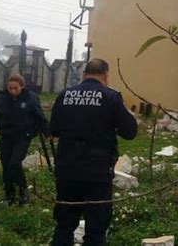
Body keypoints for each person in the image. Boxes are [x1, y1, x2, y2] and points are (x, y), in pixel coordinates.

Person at [50, 58, 138, 246]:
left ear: (84, 74)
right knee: (96, 230)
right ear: (106, 75)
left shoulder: (64, 95)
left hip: (67, 171)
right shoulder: (111, 97)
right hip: (97, 173)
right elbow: (130, 132)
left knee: (64, 227)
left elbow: (54, 129)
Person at [0, 74, 49, 206]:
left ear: (22, 87)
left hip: (23, 136)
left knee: (14, 163)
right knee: (6, 165)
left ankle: (23, 191)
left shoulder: (31, 99)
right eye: (10, 88)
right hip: (6, 136)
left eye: (15, 88)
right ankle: (9, 195)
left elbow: (40, 117)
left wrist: (47, 132)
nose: (13, 91)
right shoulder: (2, 99)